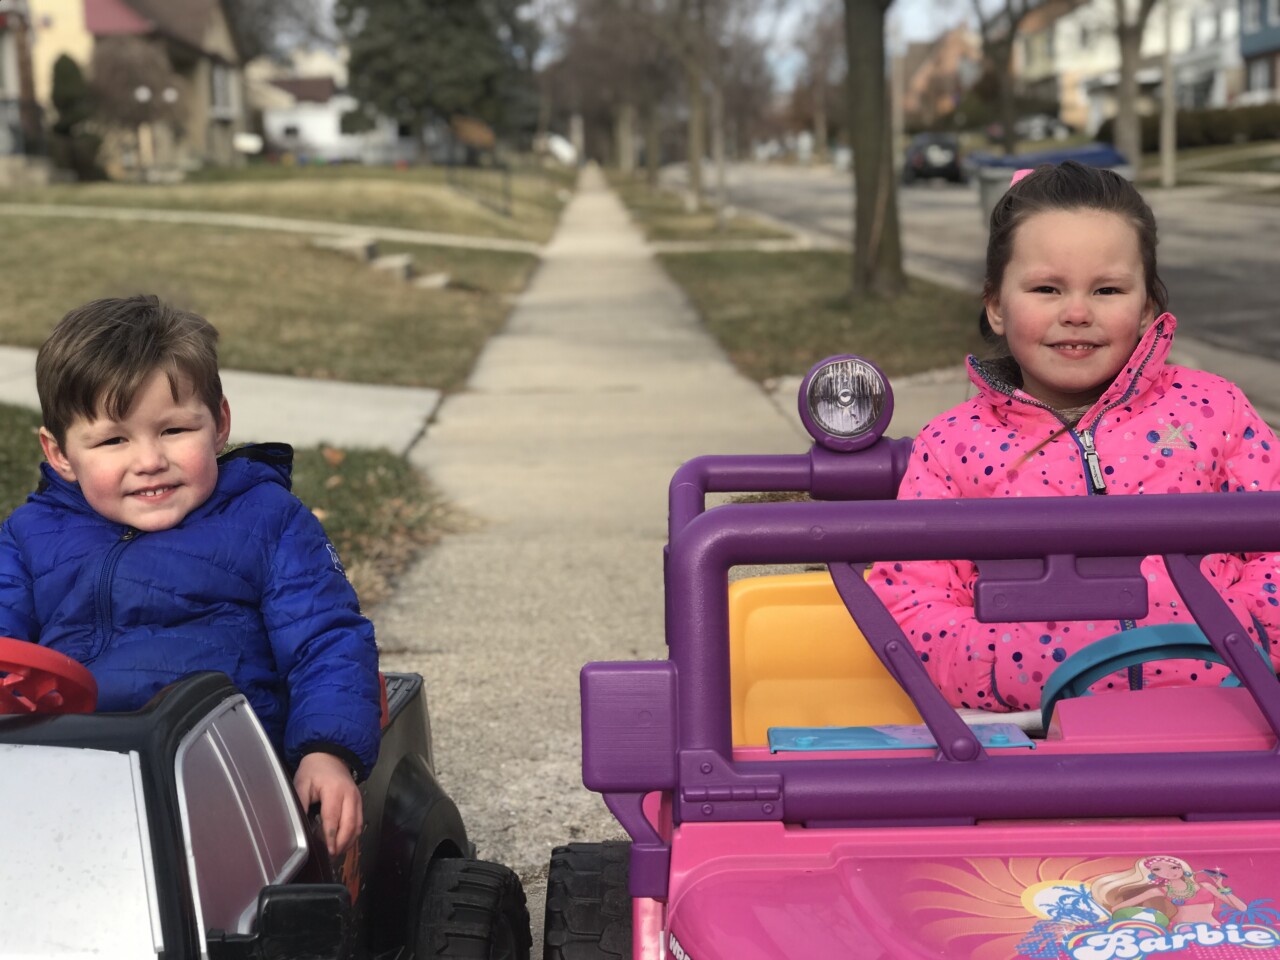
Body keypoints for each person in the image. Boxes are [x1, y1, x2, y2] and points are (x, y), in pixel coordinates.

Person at [868, 161, 1280, 712]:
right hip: (1033, 738)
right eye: (1047, 288)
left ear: (1147, 307)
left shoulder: (1214, 409)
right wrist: (1012, 669)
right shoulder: (952, 444)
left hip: (1231, 720)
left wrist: (1237, 640)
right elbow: (910, 599)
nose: (1078, 313)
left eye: (1108, 289)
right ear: (995, 305)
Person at [0, 294, 381, 857]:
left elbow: (326, 639)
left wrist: (326, 752)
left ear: (219, 423)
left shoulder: (264, 521)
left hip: (224, 778)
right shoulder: (30, 536)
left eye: (175, 430)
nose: (149, 459)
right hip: (66, 773)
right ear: (60, 454)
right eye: (113, 440)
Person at [1091, 855, 1247, 929]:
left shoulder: (1205, 886)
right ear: (1153, 874)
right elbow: (1117, 908)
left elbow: (1242, 908)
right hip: (1180, 929)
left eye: (1173, 867)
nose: (1169, 872)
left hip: (1213, 928)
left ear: (1181, 868)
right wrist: (1132, 919)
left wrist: (1221, 887)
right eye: (1158, 869)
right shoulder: (1160, 890)